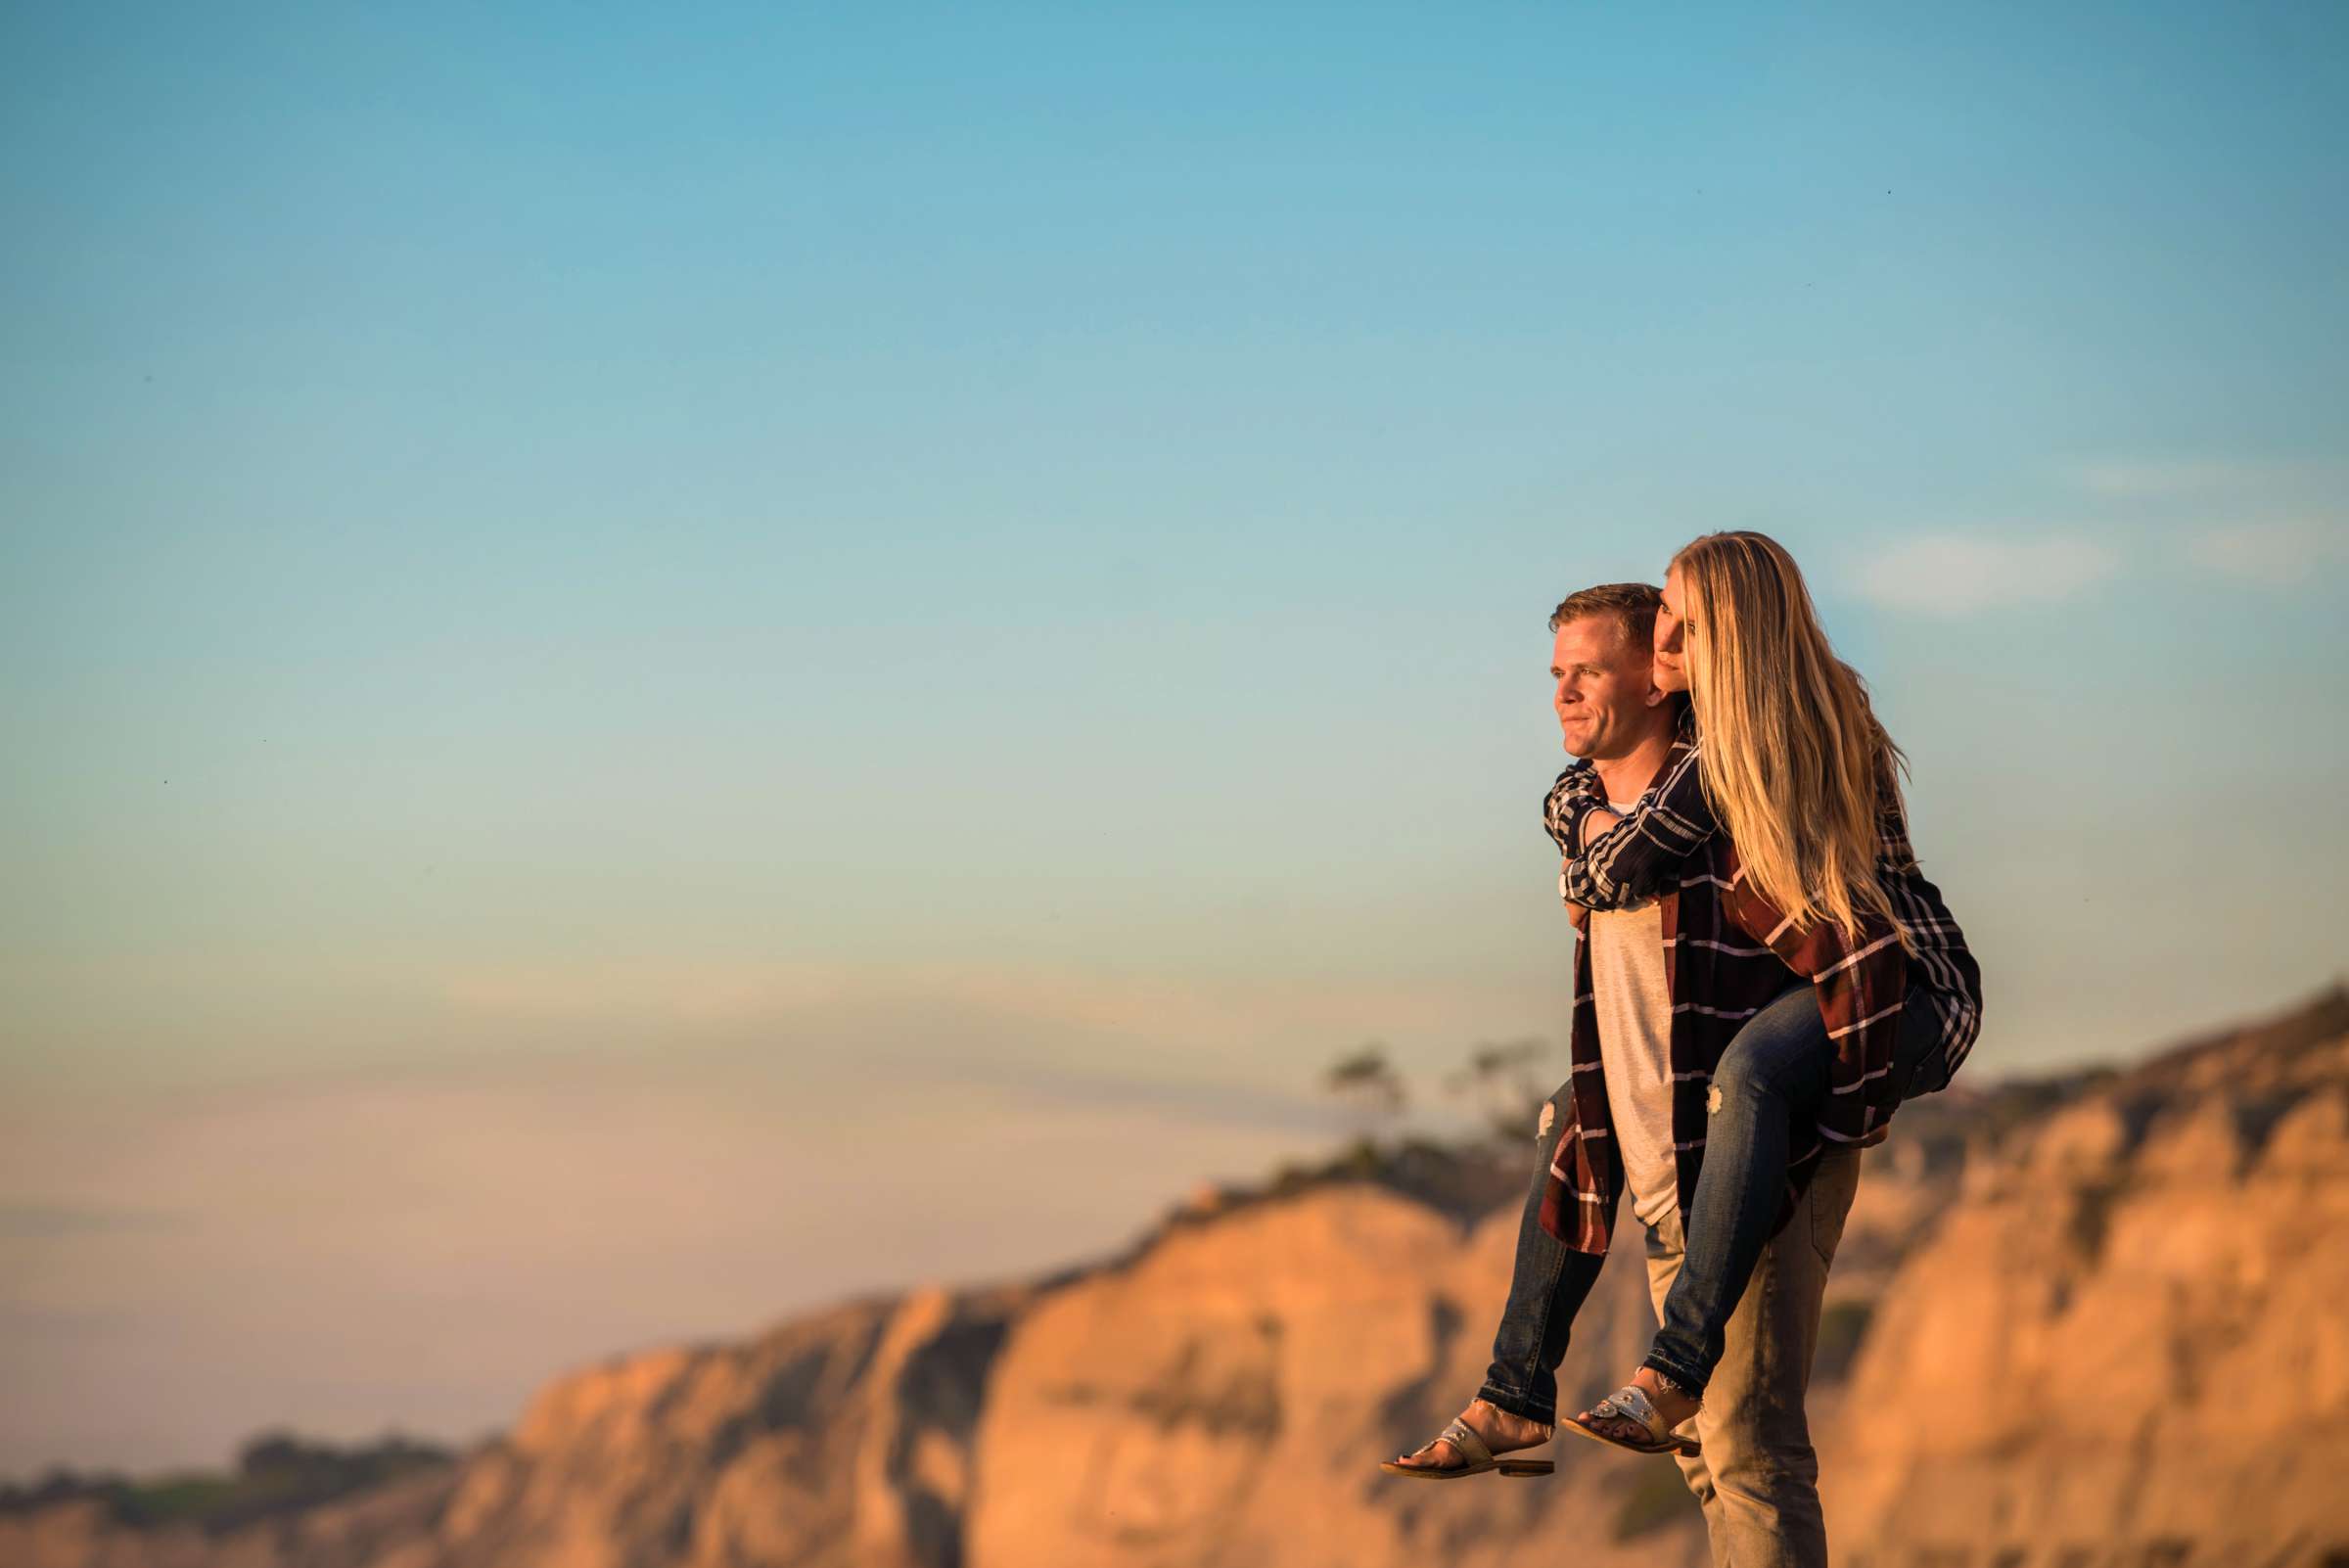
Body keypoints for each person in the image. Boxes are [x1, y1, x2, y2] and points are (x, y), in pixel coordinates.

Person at [1383, 547, 1980, 1568]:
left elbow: (1624, 855)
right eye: (1656, 631)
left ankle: (1663, 1365)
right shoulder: (1650, 776)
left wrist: (1585, 849)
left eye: (1678, 630)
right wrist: (1578, 826)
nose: (1662, 648)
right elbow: (1580, 813)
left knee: (1750, 1450)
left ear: (1732, 638)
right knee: (1573, 1120)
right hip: (1688, 1140)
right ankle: (1522, 1390)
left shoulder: (1752, 749)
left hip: (1905, 990)